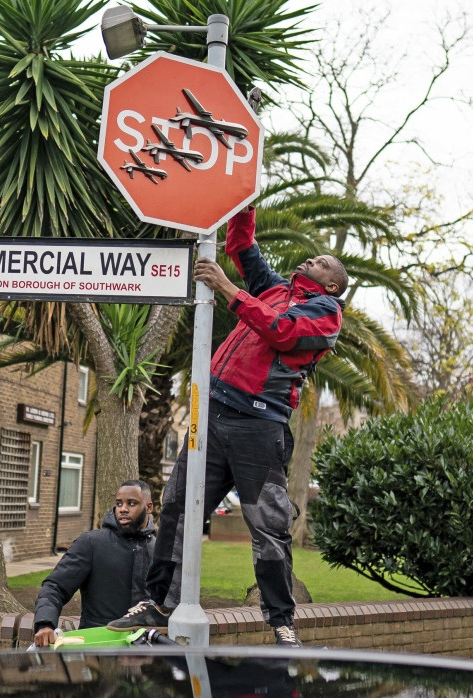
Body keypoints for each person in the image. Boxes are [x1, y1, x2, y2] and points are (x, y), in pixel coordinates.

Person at [108, 206, 347, 647]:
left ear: (332, 283)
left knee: (268, 529)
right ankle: (158, 601)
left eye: (322, 262)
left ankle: (281, 621)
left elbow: (284, 332)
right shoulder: (274, 289)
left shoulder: (327, 313)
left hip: (259, 427)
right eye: (311, 259)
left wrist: (227, 289)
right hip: (212, 417)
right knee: (179, 507)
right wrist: (243, 200)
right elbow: (239, 244)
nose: (311, 260)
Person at [33, 480, 156, 647]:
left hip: (148, 653)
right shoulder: (91, 543)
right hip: (99, 649)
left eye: (132, 503)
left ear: (149, 508)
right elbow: (54, 587)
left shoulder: (158, 550)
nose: (123, 509)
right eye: (119, 503)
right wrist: (45, 623)